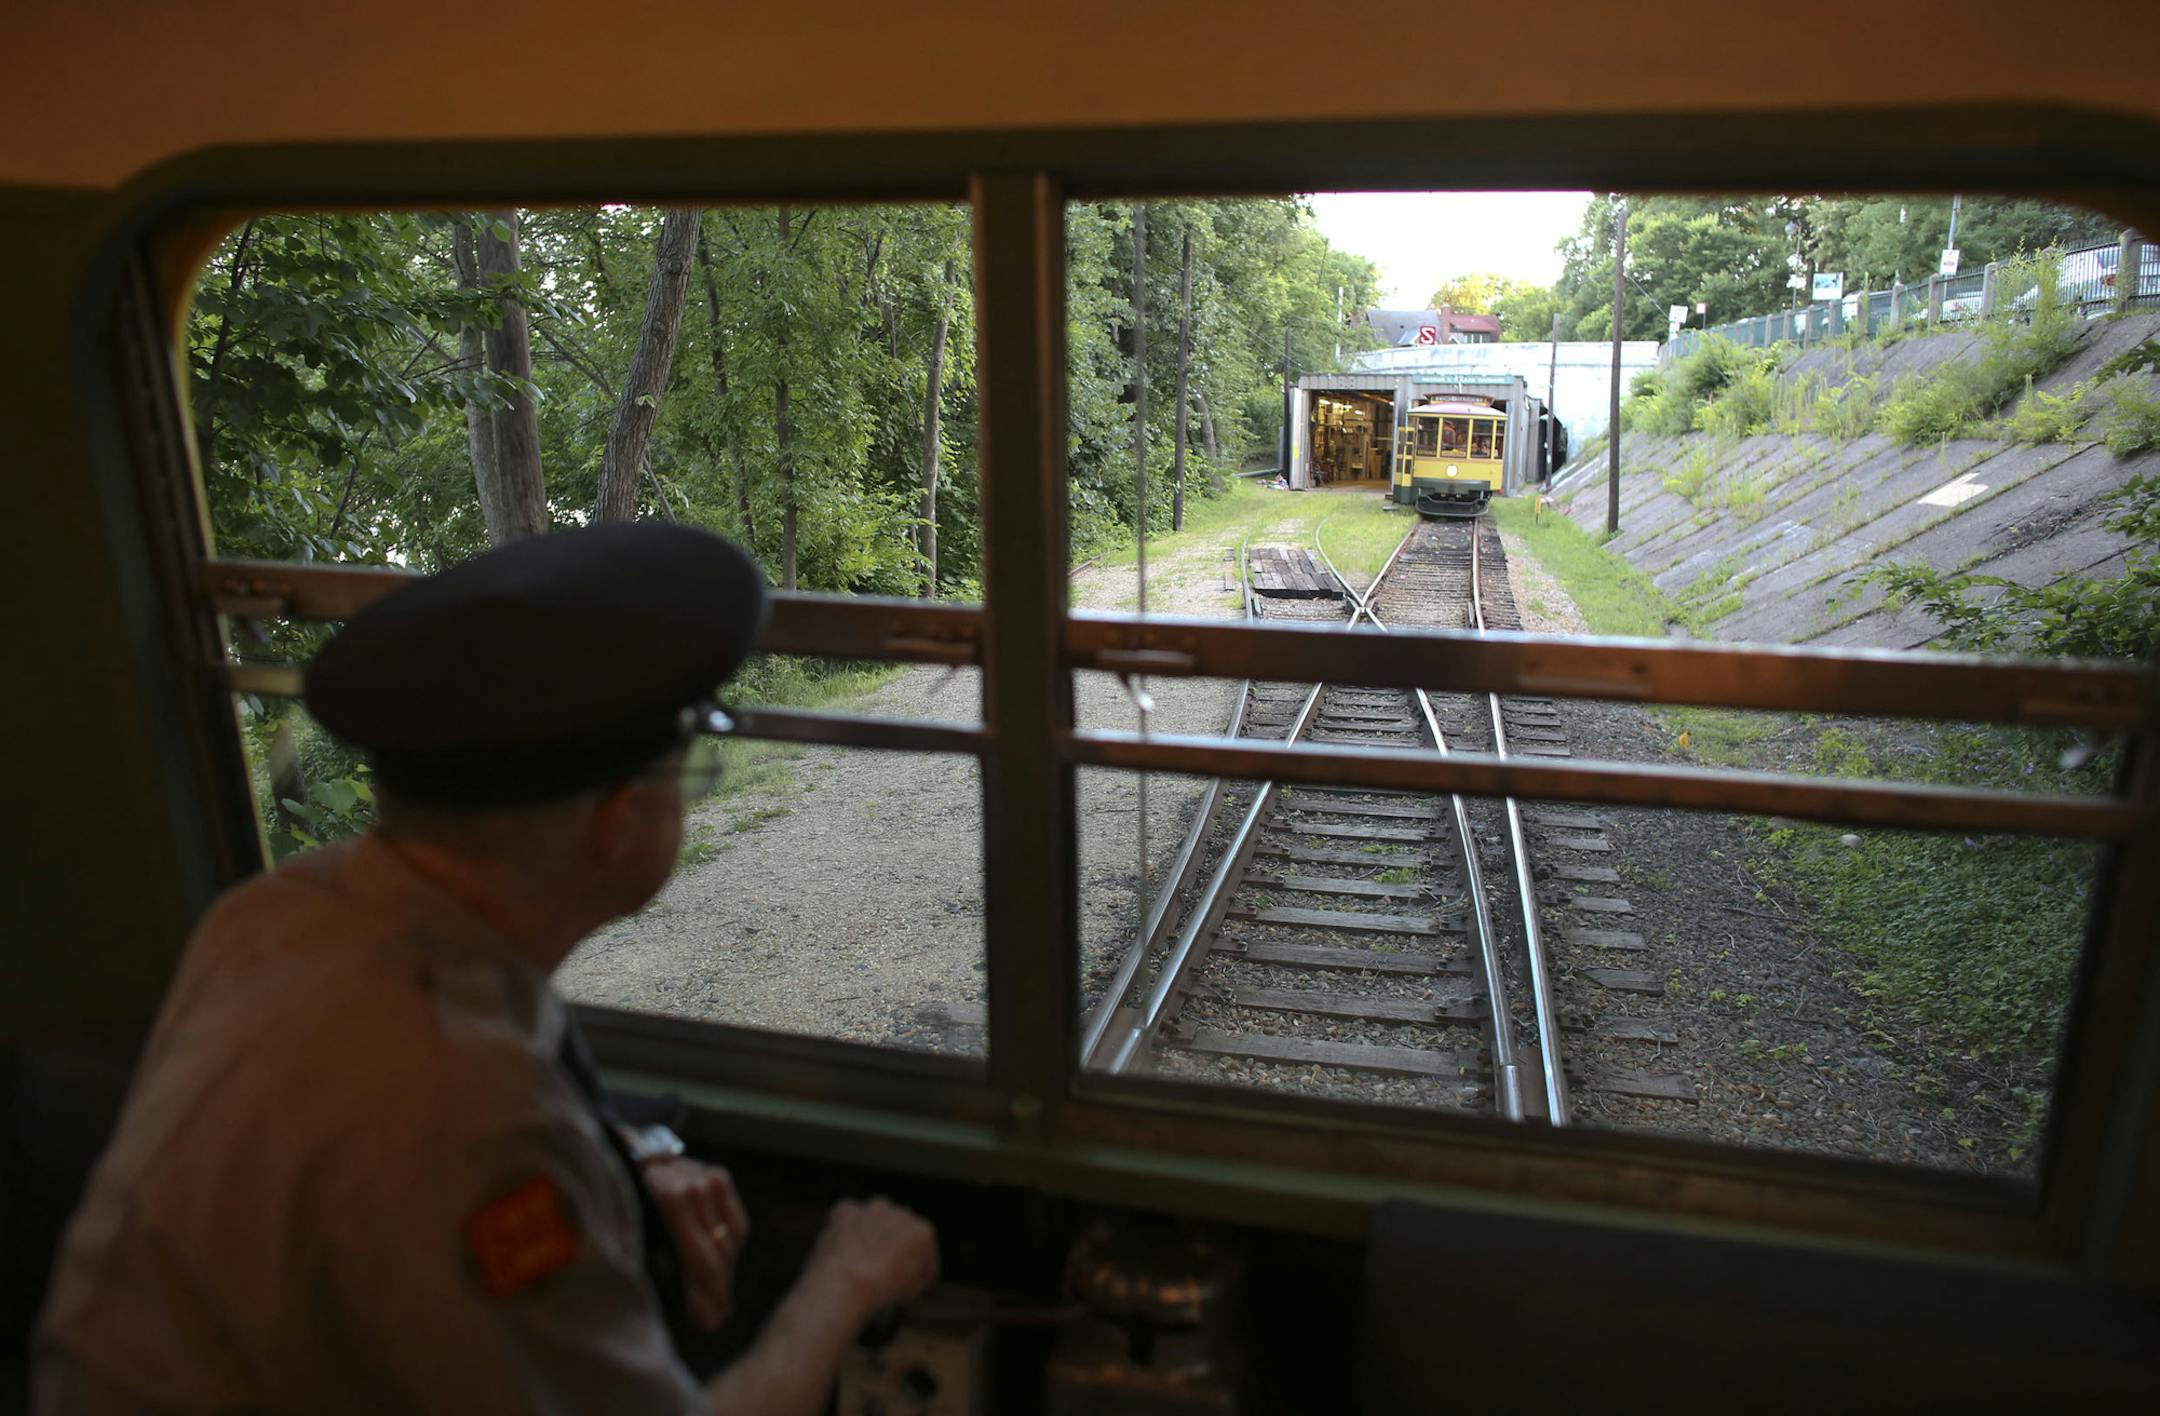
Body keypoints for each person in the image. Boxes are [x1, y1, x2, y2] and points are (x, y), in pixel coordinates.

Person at [34, 523, 938, 1414]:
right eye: (690, 755)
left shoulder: (277, 912)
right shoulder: (468, 1119)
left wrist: (618, 1162)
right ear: (617, 825)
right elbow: (446, 1131)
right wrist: (846, 1281)